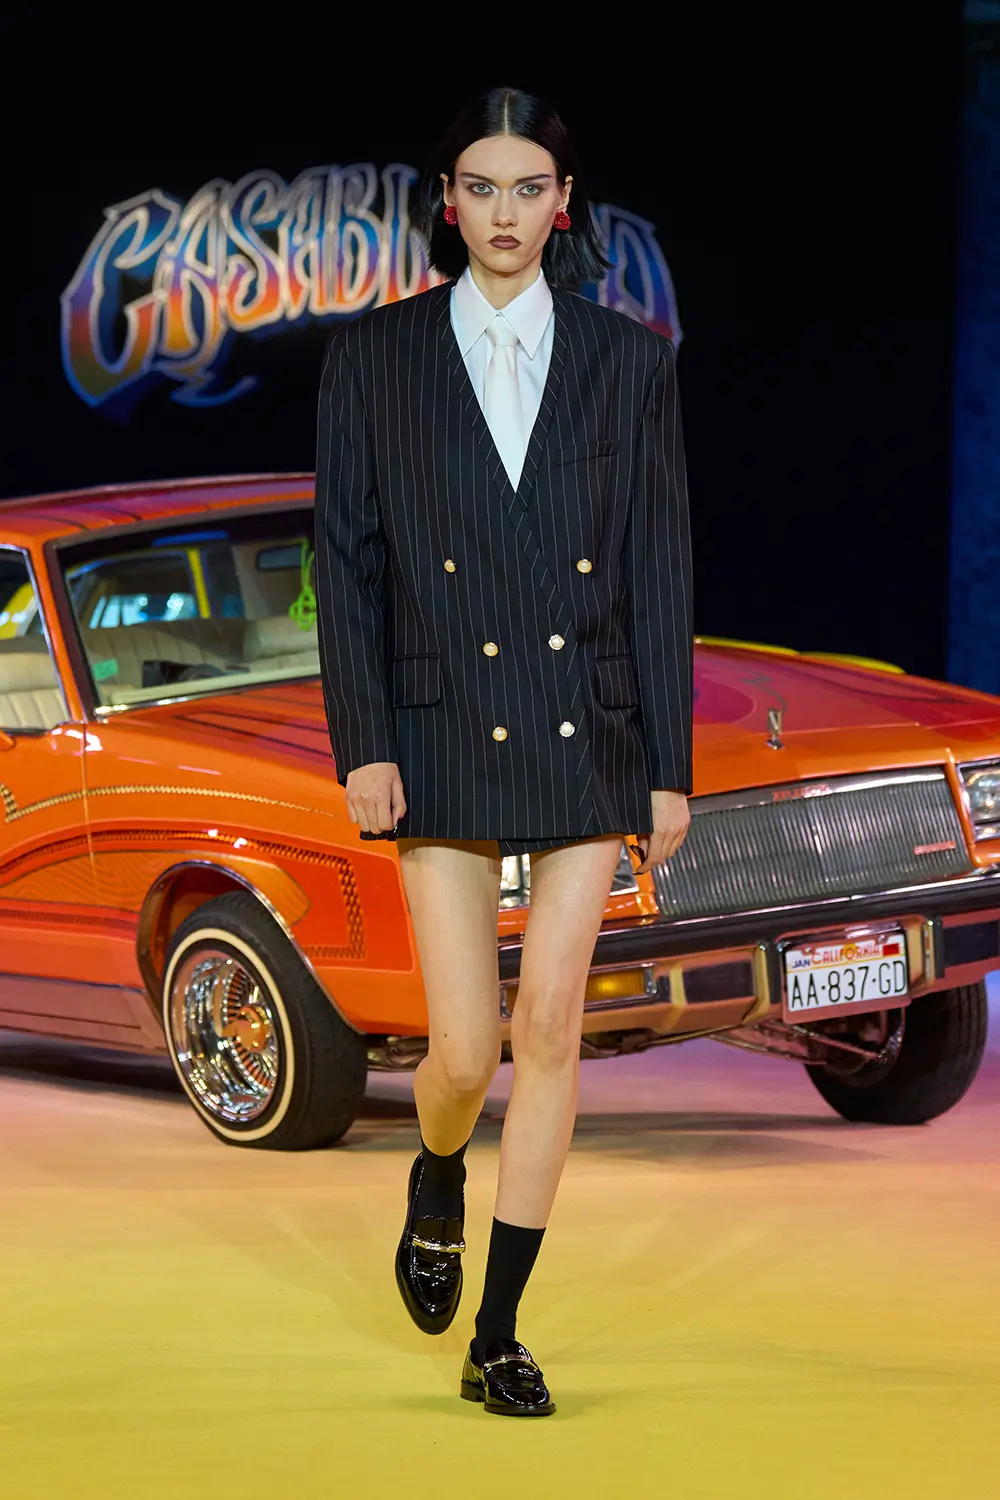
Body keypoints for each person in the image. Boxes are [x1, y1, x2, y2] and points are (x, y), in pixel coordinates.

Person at [314, 84, 694, 1418]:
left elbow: (658, 567)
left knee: (551, 1028)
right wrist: (363, 741)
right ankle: (436, 1175)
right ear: (447, 201)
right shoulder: (376, 358)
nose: (505, 213)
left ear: (564, 205)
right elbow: (347, 566)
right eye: (481, 188)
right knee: (466, 1053)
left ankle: (500, 1331)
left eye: (530, 189)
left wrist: (669, 765)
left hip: (591, 723)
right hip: (436, 726)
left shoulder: (628, 361)